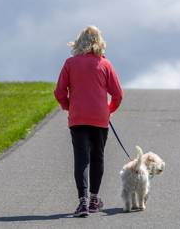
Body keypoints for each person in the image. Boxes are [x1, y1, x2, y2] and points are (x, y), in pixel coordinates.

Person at [54, 25, 123, 217]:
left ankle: (82, 201)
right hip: (100, 119)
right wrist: (108, 111)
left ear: (79, 42)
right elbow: (118, 95)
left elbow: (59, 92)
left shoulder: (70, 63)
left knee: (81, 158)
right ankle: (94, 199)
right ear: (99, 43)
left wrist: (68, 106)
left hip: (78, 118)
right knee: (97, 157)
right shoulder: (105, 64)